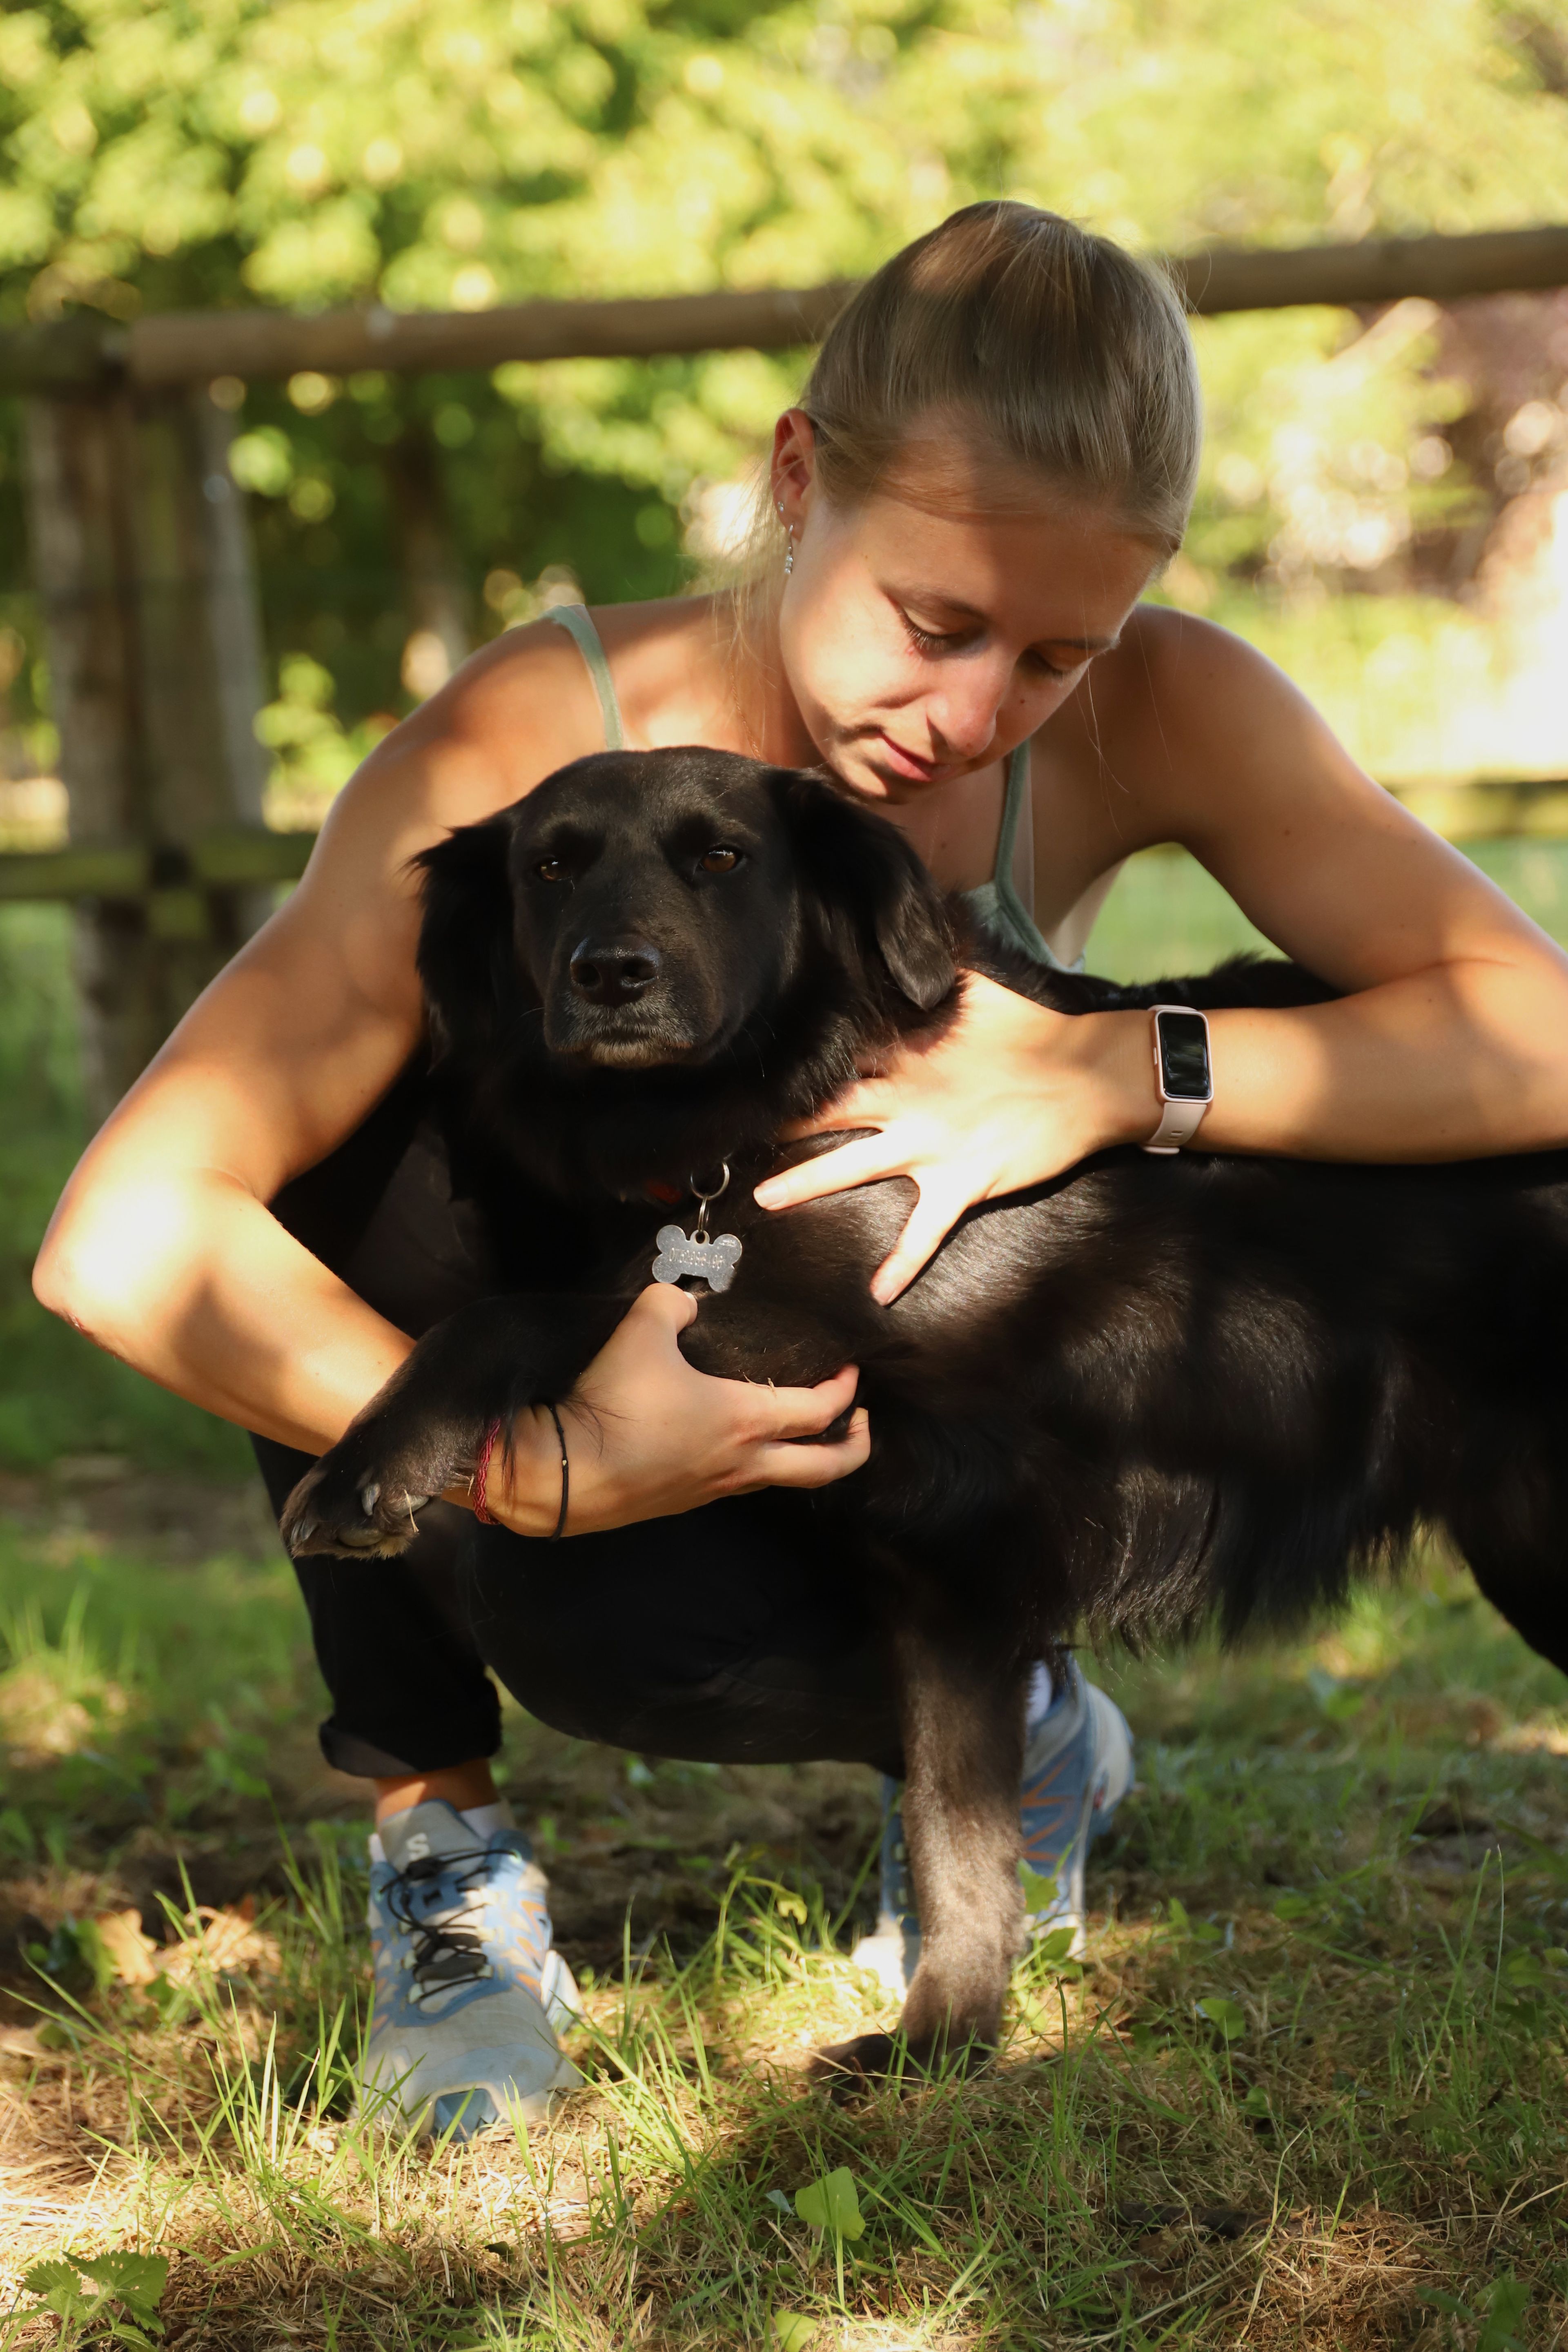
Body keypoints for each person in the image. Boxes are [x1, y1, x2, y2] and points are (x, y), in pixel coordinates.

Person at [33, 203, 1568, 2139]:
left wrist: (1115, 1071)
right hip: (606, 1369)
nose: (977, 716)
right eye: (937, 625)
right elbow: (128, 1239)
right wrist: (543, 1470)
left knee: (645, 1624)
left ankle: (1027, 1735)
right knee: (355, 1142)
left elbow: (1541, 1034)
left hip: (937, 1426)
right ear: (794, 480)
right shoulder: (532, 742)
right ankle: (443, 1856)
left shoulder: (1168, 702)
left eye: (1057, 653)